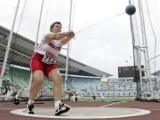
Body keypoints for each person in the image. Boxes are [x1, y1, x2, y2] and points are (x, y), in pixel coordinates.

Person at [27, 21, 75, 115]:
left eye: (60, 27)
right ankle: (30, 102)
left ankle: (58, 106)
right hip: (38, 59)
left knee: (58, 78)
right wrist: (67, 33)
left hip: (50, 63)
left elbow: (66, 39)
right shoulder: (47, 36)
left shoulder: (60, 42)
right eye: (57, 26)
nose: (59, 28)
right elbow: (56, 36)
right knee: (39, 80)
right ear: (52, 28)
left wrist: (71, 34)